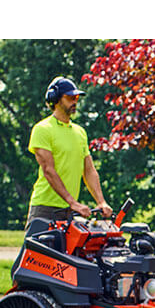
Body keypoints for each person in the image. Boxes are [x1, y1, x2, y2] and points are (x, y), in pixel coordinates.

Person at [25, 77, 112, 234]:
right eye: (70, 97)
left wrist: (101, 201)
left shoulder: (79, 132)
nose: (75, 102)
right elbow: (49, 171)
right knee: (31, 258)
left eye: (77, 98)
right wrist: (73, 202)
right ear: (56, 99)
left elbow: (89, 170)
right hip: (45, 208)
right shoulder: (43, 129)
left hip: (69, 212)